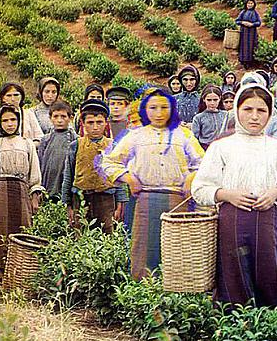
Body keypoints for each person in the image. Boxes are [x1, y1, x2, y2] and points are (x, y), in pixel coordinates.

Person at [192, 81, 277, 308]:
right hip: (232, 222)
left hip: (266, 221)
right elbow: (199, 188)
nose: (254, 117)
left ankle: (274, 325)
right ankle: (235, 328)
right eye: (247, 109)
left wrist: (276, 193)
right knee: (233, 275)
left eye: (261, 110)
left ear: (270, 114)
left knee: (270, 273)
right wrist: (226, 194)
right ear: (236, 111)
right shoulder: (222, 146)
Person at [97, 87, 204, 279]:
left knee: (175, 250)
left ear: (172, 108)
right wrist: (128, 177)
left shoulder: (184, 135)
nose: (159, 113)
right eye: (153, 107)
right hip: (145, 200)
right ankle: (142, 293)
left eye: (164, 107)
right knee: (143, 248)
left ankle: (175, 294)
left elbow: (202, 163)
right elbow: (109, 161)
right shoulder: (136, 136)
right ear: (145, 109)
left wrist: (191, 178)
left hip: (178, 201)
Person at [62, 99, 128, 233]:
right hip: (80, 199)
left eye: (99, 122)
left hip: (106, 199)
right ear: (83, 124)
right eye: (90, 123)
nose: (95, 127)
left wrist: (120, 203)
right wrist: (67, 204)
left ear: (106, 123)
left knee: (107, 234)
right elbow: (68, 176)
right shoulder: (75, 146)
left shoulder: (113, 146)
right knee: (80, 234)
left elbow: (120, 178)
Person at [0, 106, 42, 270]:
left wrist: (34, 195)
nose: (9, 124)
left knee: (21, 229)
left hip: (20, 192)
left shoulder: (27, 143)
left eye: (13, 119)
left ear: (19, 122)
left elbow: (34, 172)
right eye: (5, 120)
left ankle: (19, 270)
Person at [36, 100, 76, 200]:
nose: (59, 120)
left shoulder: (75, 139)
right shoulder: (45, 140)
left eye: (63, 116)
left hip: (67, 185)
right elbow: (40, 163)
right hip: (48, 184)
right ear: (50, 118)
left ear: (70, 118)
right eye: (56, 116)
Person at [191, 85, 229, 150]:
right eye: (209, 100)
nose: (212, 103)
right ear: (204, 99)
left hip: (224, 148)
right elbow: (194, 138)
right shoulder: (198, 118)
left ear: (219, 99)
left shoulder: (226, 115)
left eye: (215, 100)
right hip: (205, 149)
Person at [235, 0, 262, 68]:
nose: (250, 5)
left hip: (252, 32)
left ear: (254, 4)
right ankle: (243, 61)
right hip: (244, 32)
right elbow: (237, 21)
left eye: (251, 3)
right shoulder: (243, 12)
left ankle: (251, 62)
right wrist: (243, 22)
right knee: (244, 46)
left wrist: (252, 24)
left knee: (252, 46)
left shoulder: (255, 13)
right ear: (246, 4)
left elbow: (259, 22)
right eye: (248, 3)